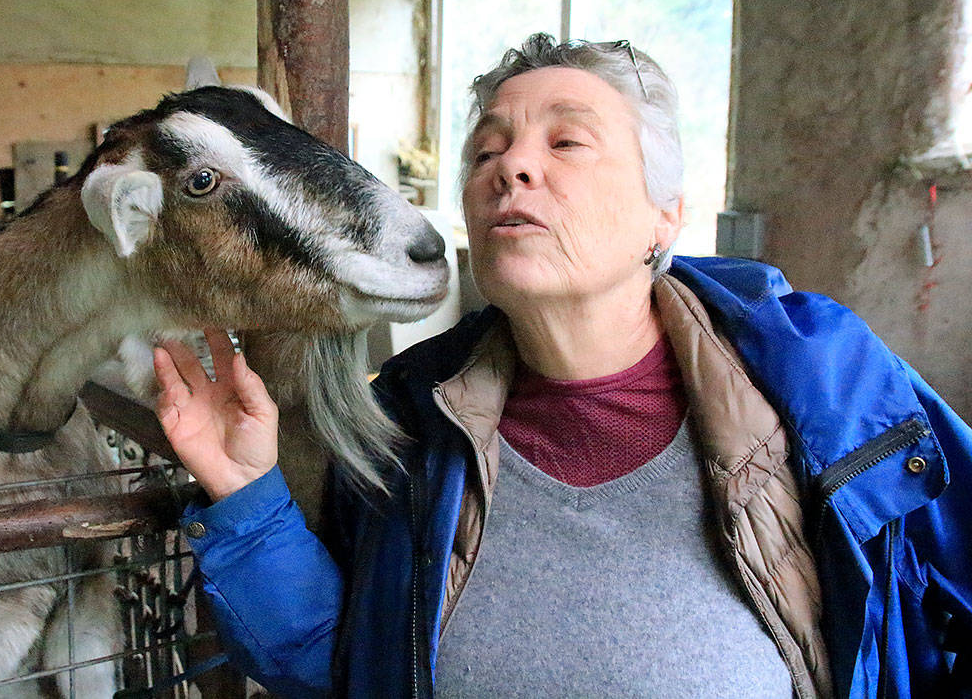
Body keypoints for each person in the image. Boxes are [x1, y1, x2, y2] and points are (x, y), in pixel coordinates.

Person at [150, 34, 972, 698]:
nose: (512, 167)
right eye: (486, 153)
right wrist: (247, 495)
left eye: (567, 141)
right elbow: (341, 669)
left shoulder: (827, 382)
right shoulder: (412, 425)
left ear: (665, 214)